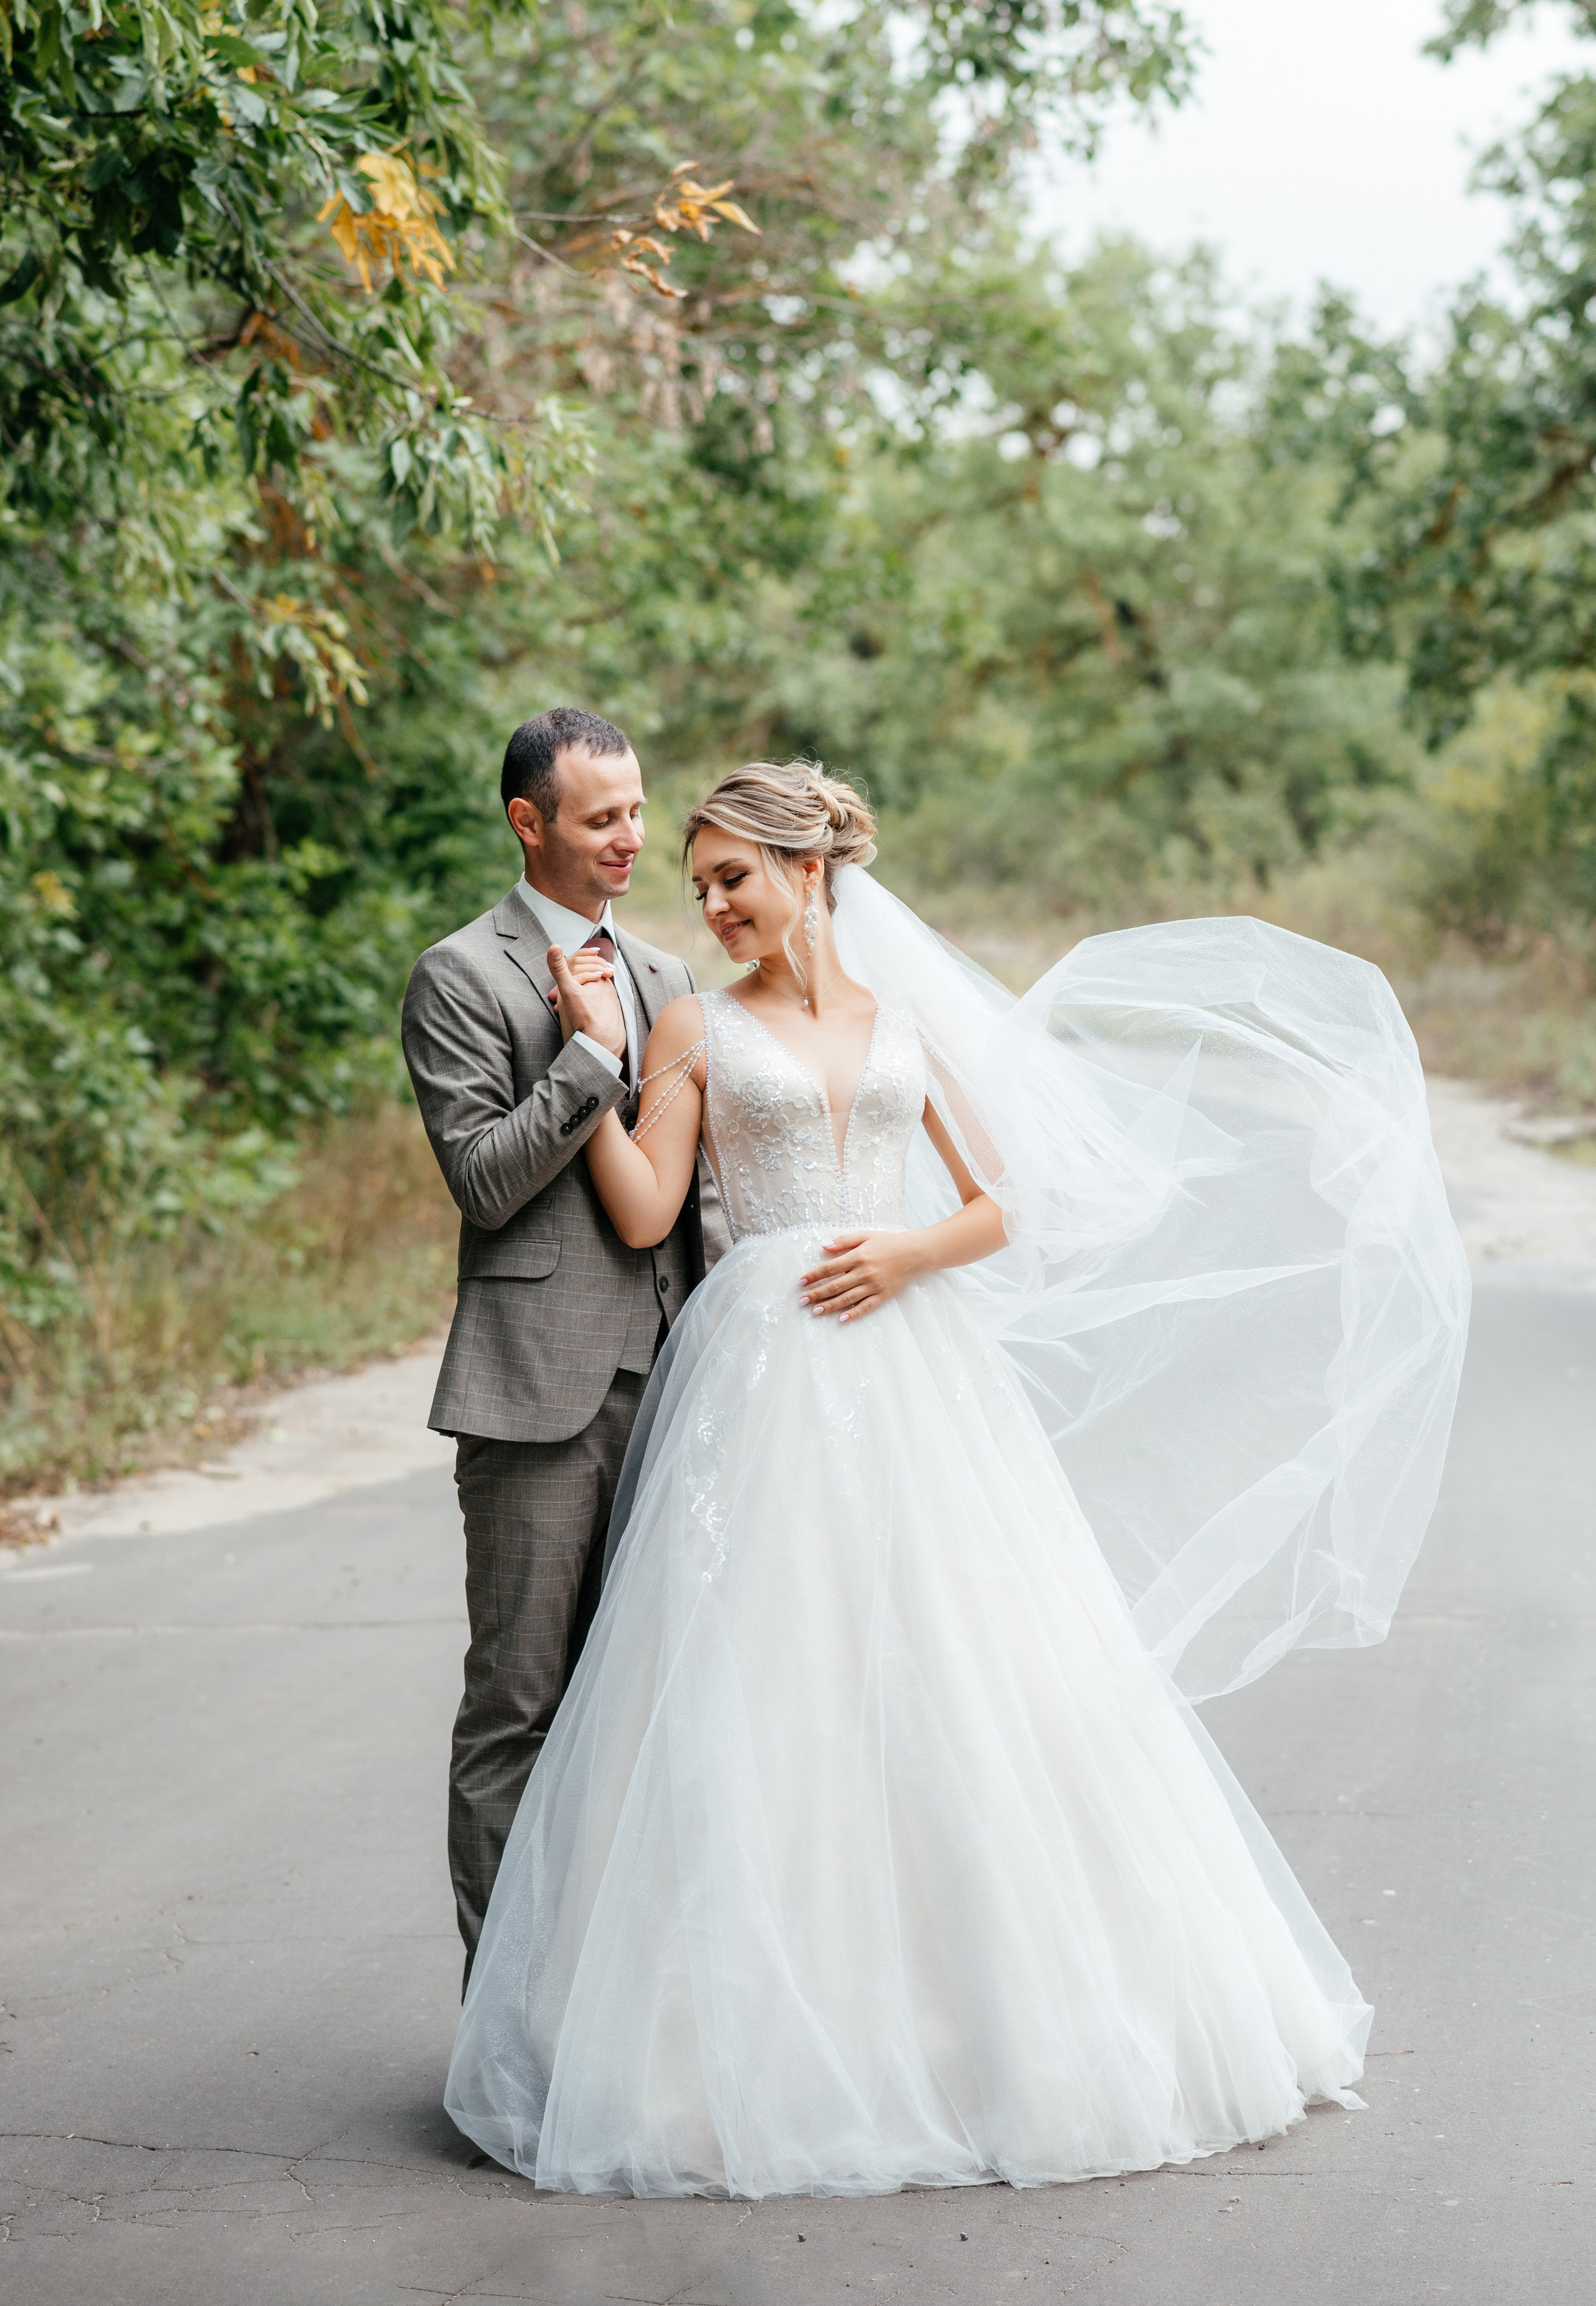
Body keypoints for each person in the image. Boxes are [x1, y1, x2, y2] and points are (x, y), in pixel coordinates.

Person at [445, 759, 1469, 2195]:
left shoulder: (904, 1018)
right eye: (700, 885)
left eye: (733, 876)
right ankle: (729, 2031)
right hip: (760, 1362)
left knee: (962, 1665)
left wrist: (908, 1251)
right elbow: (645, 1206)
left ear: (810, 871)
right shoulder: (688, 1023)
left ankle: (989, 2021)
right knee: (766, 1682)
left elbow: (999, 1203)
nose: (714, 905)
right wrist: (586, 1055)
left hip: (906, 1348)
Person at [401, 707, 717, 1984]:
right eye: (601, 818)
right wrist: (585, 1055)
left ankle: (614, 2015)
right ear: (528, 822)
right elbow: (481, 1180)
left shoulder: (668, 977)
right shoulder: (461, 975)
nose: (630, 839)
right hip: (533, 1395)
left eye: (638, 810)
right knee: (518, 1712)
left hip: (677, 1385)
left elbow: (690, 1194)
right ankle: (506, 2026)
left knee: (643, 1712)